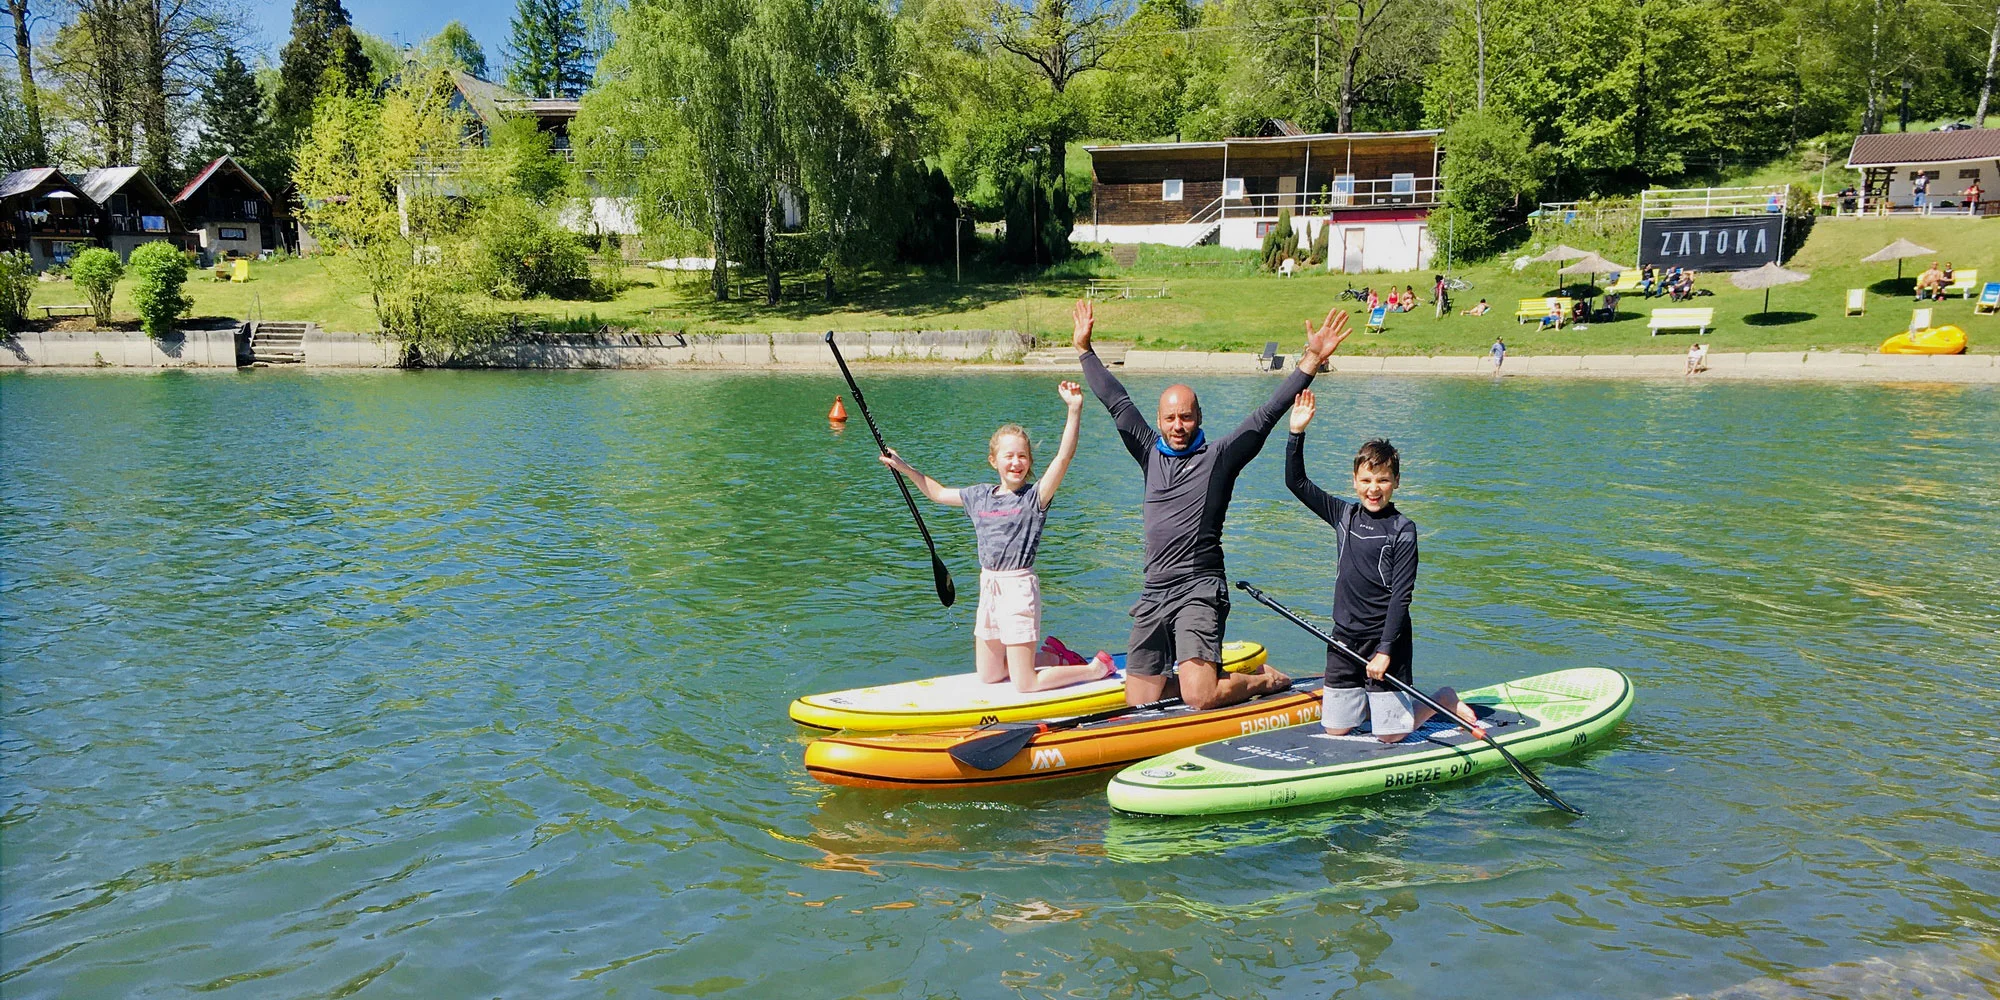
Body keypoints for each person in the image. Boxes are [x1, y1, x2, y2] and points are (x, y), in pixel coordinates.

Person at [1072, 298, 1349, 709]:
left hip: (1198, 590)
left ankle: (1259, 681)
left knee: (1199, 698)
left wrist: (1310, 359)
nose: (1178, 426)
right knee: (1138, 703)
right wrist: (1084, 350)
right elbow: (1115, 400)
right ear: (1160, 420)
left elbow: (1267, 415)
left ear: (1199, 417)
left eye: (1186, 417)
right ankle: (1201, 680)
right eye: (1170, 419)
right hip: (1153, 591)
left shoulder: (1219, 458)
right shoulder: (1149, 453)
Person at [879, 381, 1114, 692]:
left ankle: (1094, 669)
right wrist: (903, 466)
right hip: (989, 587)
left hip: (1018, 588)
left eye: (1022, 457)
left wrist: (1074, 409)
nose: (1015, 462)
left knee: (1024, 684)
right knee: (989, 676)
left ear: (1029, 462)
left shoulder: (1035, 498)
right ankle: (1055, 656)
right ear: (994, 460)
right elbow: (935, 492)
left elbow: (1063, 458)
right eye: (1008, 456)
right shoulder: (978, 496)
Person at [1283, 390, 1479, 741]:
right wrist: (1296, 433)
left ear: (1396, 483)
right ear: (1355, 481)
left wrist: (1386, 652)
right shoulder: (1343, 515)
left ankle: (1442, 700)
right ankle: (1363, 703)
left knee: (1390, 736)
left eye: (1383, 480)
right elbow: (1296, 482)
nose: (1374, 489)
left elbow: (1401, 597)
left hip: (1385, 642)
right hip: (1344, 641)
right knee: (1336, 729)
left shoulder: (1403, 530)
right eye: (1367, 480)